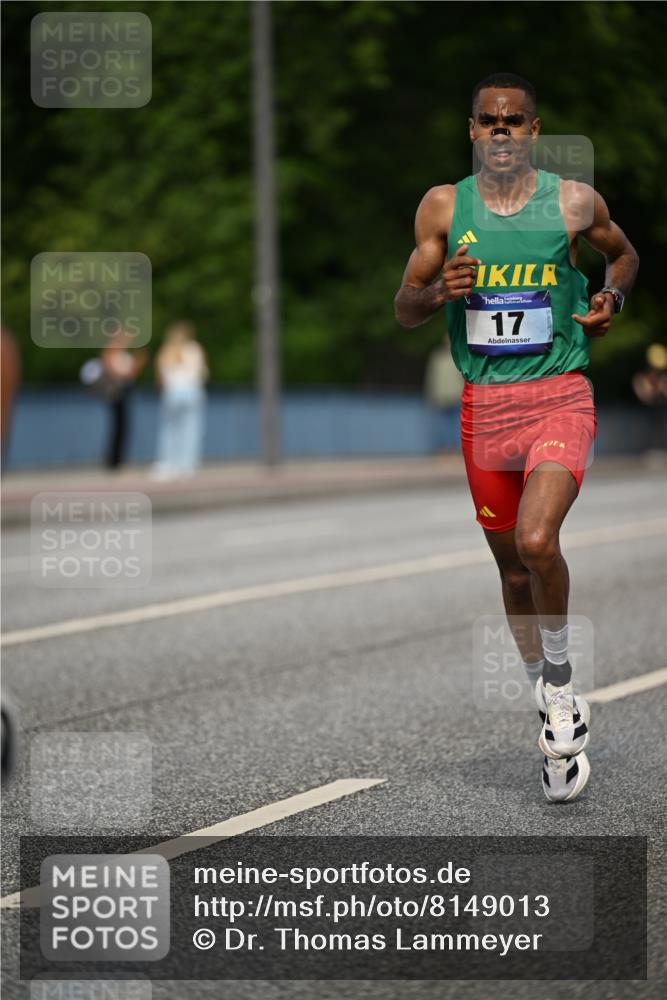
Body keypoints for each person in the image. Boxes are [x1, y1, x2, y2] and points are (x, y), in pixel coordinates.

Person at [394, 73, 639, 802]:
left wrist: (610, 298)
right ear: (471, 131)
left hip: (559, 394)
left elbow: (620, 254)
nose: (501, 133)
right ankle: (543, 688)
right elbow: (406, 307)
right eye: (487, 122)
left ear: (533, 130)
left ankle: (562, 692)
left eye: (514, 121)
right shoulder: (443, 207)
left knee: (537, 543)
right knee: (508, 572)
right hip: (484, 407)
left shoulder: (571, 201)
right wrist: (442, 292)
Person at [152, 321, 208, 480]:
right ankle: (188, 465)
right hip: (192, 391)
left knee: (169, 430)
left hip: (172, 392)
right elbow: (202, 373)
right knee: (191, 430)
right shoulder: (195, 349)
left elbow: (160, 378)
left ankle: (167, 464)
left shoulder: (166, 350)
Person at [101, 329, 148, 469]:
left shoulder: (124, 354)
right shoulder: (110, 352)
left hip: (126, 390)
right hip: (116, 392)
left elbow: (131, 374)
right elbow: (112, 372)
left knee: (124, 426)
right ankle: (112, 460)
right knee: (117, 425)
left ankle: (119, 458)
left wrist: (139, 362)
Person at [424, 333, 463, 452]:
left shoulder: (460, 356)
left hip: (456, 396)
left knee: (457, 424)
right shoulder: (437, 357)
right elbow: (432, 376)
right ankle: (446, 448)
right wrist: (431, 393)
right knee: (443, 425)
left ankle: (455, 448)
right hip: (442, 396)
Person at [632, 343, 667, 466]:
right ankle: (651, 450)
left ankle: (661, 450)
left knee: (661, 428)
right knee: (649, 428)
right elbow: (643, 391)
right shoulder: (643, 377)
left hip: (660, 407)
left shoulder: (661, 377)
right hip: (648, 407)